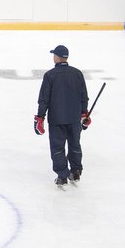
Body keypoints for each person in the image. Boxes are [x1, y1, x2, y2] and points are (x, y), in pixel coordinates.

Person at [35, 44, 90, 189]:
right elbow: (84, 96)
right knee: (75, 145)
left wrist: (40, 117)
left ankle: (62, 175)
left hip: (57, 119)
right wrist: (84, 114)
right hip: (74, 118)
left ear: (56, 57)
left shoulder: (50, 76)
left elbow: (44, 99)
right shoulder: (77, 74)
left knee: (57, 147)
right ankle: (76, 171)